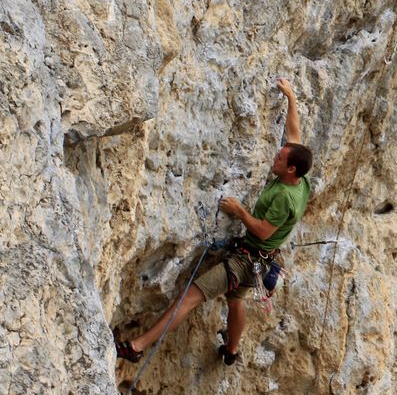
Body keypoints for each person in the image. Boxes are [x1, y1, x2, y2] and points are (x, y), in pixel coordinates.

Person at [115, 78, 312, 366]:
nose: (276, 155)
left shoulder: (285, 197)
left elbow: (261, 229)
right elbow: (294, 132)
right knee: (236, 300)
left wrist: (239, 210)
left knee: (192, 296)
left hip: (245, 261)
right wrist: (291, 98)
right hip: (261, 261)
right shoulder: (300, 179)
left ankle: (136, 346)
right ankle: (231, 351)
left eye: (280, 157)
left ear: (291, 168)